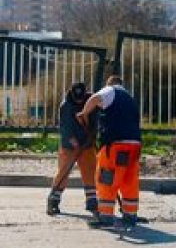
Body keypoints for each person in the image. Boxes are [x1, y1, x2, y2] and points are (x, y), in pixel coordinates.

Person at [77, 76, 142, 227]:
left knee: (107, 177)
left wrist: (84, 113)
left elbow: (95, 98)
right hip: (134, 144)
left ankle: (106, 216)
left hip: (116, 144)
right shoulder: (130, 99)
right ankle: (130, 215)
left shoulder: (111, 90)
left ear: (110, 84)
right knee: (129, 179)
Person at [47, 82, 99, 218]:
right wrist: (72, 140)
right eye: (77, 99)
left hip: (87, 143)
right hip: (70, 146)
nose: (79, 101)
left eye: (81, 99)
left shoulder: (92, 101)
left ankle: (92, 200)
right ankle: (53, 200)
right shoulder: (66, 105)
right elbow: (65, 127)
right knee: (63, 172)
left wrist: (91, 137)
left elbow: (95, 123)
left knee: (90, 171)